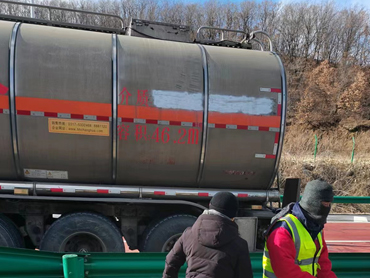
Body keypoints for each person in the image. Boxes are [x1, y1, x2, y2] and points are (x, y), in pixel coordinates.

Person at [163, 191, 253, 278]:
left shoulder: (188, 235)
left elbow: (171, 261)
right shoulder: (239, 245)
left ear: (210, 206)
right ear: (233, 216)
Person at [262, 179, 337, 278]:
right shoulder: (283, 230)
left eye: (328, 204)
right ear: (312, 201)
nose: (327, 208)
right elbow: (286, 272)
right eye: (324, 204)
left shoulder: (316, 228)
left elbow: (323, 266)